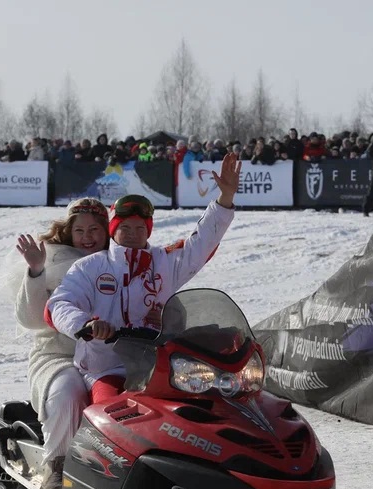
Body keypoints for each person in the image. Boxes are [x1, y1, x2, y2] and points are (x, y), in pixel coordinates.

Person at [46, 153, 242, 406]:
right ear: (112, 230)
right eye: (124, 228)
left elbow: (202, 244)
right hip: (105, 370)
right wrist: (86, 325)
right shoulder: (90, 266)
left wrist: (225, 199)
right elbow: (57, 305)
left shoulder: (165, 262)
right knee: (108, 413)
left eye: (140, 228)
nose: (132, 234)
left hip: (157, 366)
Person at [11, 198, 110, 489]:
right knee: (69, 392)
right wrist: (36, 271)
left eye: (95, 229)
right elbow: (30, 318)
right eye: (80, 230)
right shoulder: (53, 261)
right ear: (68, 232)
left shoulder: (122, 262)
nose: (87, 237)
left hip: (113, 356)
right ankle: (57, 466)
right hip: (58, 355)